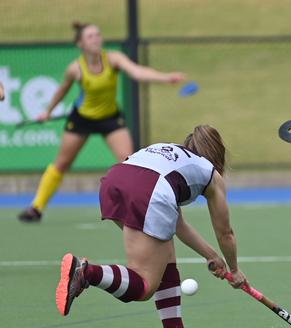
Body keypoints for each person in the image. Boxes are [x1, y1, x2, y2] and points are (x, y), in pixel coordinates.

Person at [56, 125, 246, 328]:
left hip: (114, 181)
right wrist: (235, 270)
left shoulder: (170, 154)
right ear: (218, 154)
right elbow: (225, 233)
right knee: (145, 286)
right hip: (148, 191)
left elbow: (173, 223)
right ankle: (88, 273)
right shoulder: (210, 173)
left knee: (165, 252)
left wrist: (211, 255)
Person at [18, 22, 185, 222]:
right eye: (90, 36)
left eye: (98, 34)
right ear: (80, 43)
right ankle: (36, 208)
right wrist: (47, 111)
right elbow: (61, 91)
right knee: (61, 164)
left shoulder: (113, 59)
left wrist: (165, 78)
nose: (96, 39)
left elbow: (136, 72)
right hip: (82, 119)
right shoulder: (75, 69)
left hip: (110, 118)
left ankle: (136, 207)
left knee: (129, 161)